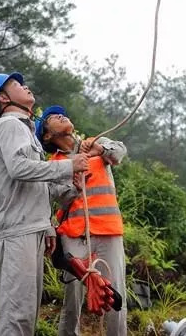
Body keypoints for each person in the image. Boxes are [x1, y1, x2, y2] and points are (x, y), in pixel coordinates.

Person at [0, 73, 89, 336]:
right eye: (16, 85)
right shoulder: (9, 126)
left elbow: (35, 185)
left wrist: (49, 222)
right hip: (18, 229)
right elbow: (19, 169)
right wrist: (68, 165)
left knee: (26, 312)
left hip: (30, 227)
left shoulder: (25, 131)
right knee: (16, 314)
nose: (25, 85)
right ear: (3, 98)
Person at [35, 105, 128, 336]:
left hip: (108, 231)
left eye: (61, 113)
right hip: (74, 237)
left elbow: (118, 153)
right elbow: (59, 200)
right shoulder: (53, 164)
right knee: (72, 299)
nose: (59, 114)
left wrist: (99, 148)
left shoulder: (95, 143)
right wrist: (73, 187)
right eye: (51, 117)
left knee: (115, 296)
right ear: (48, 136)